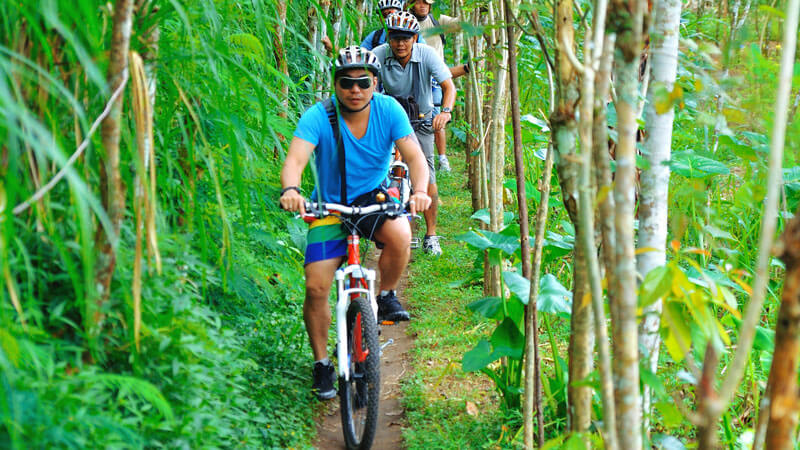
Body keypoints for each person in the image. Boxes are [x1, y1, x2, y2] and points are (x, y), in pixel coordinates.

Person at [280, 46, 432, 399]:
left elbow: (414, 155)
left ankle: (388, 294)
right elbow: (296, 159)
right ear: (335, 84)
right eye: (346, 82)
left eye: (363, 82)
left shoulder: (389, 110)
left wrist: (420, 190)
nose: (355, 89)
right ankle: (321, 364)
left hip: (372, 200)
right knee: (316, 286)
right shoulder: (319, 116)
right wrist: (291, 188)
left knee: (400, 233)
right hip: (329, 206)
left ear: (375, 83)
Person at [372, 11, 455, 256]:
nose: (401, 43)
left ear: (415, 38)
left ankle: (431, 235)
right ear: (389, 37)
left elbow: (448, 86)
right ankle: (379, 227)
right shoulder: (379, 55)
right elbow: (363, 80)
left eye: (406, 38)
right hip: (388, 122)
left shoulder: (427, 54)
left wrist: (445, 112)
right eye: (396, 37)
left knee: (427, 176)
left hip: (421, 120)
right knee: (376, 171)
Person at [410, 0, 467, 173]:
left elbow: (462, 25)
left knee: (436, 117)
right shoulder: (405, 23)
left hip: (435, 79)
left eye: (426, 3)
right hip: (412, 76)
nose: (422, 6)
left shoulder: (437, 22)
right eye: (418, 2)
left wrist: (471, 8)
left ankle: (442, 159)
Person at [361, 0, 427, 50]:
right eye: (384, 15)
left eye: (391, 14)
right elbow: (362, 53)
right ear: (380, 19)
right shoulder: (375, 36)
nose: (388, 18)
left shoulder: (413, 34)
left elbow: (425, 54)